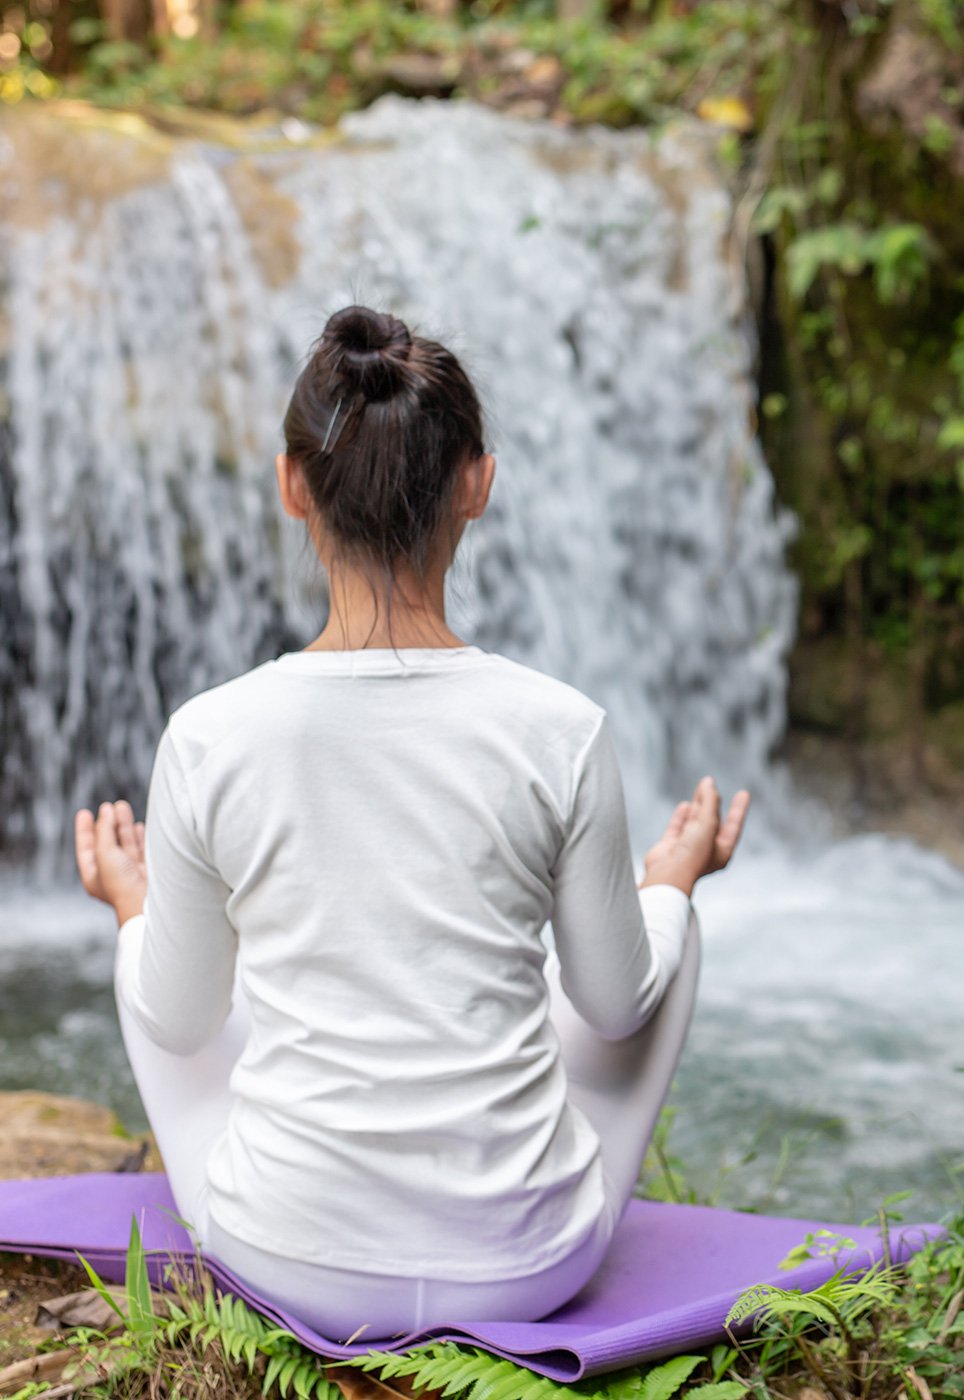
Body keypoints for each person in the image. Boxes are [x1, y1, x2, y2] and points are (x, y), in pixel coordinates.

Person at [71, 305, 749, 1343]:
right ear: (477, 482)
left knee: (170, 968)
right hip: (526, 1267)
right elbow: (613, 1009)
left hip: (286, 1259)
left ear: (292, 483)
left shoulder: (207, 735)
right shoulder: (562, 728)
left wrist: (131, 905)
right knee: (665, 927)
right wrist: (672, 880)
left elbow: (178, 1020)